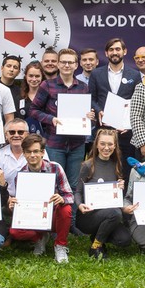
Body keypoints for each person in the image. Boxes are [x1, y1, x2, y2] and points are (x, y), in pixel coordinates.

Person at [28, 48, 95, 214]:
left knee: (73, 185)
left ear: (76, 65)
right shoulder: (47, 85)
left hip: (77, 145)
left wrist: (90, 115)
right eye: (63, 62)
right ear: (58, 64)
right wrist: (50, 119)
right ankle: (51, 221)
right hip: (54, 143)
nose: (67, 65)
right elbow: (34, 110)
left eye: (70, 62)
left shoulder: (83, 87)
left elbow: (88, 113)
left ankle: (71, 222)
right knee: (53, 184)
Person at [7, 134, 74, 262]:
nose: (32, 155)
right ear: (24, 153)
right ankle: (39, 238)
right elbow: (21, 205)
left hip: (53, 216)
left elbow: (69, 196)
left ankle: (60, 245)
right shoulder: (20, 175)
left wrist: (62, 199)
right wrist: (14, 205)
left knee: (66, 209)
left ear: (42, 152)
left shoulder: (55, 168)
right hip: (33, 216)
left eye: (36, 151)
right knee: (15, 232)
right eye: (28, 152)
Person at [76, 129, 132, 260]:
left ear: (115, 146)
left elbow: (116, 197)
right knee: (115, 213)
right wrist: (80, 205)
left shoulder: (117, 165)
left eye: (110, 144)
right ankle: (96, 246)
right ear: (96, 144)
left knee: (124, 240)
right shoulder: (88, 165)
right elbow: (77, 191)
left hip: (109, 214)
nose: (106, 148)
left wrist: (120, 188)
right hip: (88, 216)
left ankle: (97, 236)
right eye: (102, 144)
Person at [88, 38, 142, 162]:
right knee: (102, 166)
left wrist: (129, 124)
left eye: (118, 49)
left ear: (124, 51)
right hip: (103, 131)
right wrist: (99, 111)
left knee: (125, 166)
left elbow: (138, 102)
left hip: (125, 132)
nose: (114, 52)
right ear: (106, 53)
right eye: (111, 50)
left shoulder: (134, 75)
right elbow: (91, 98)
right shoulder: (96, 74)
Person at [0, 118, 32, 196]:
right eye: (12, 132)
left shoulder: (37, 151)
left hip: (32, 198)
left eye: (20, 132)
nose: (16, 135)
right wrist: (8, 199)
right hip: (7, 198)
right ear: (6, 135)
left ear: (27, 134)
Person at [16, 61, 45, 135]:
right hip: (24, 138)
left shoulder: (48, 97)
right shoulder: (19, 98)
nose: (34, 79)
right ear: (26, 76)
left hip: (45, 139)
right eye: (31, 76)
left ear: (42, 77)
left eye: (37, 76)